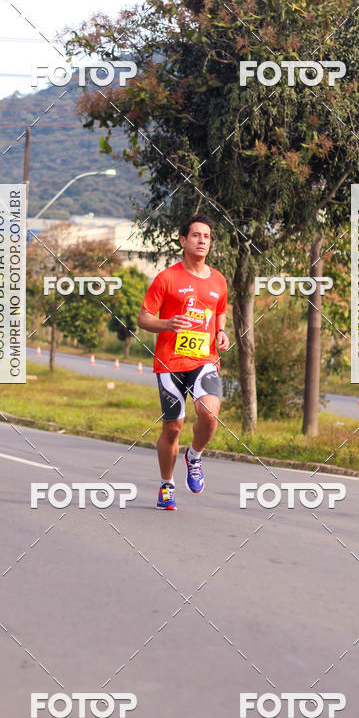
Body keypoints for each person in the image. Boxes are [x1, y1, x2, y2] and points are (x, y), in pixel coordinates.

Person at [137, 214, 229, 510]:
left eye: (207, 237)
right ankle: (166, 484)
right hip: (170, 363)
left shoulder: (218, 280)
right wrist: (166, 324)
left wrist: (221, 331)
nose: (202, 241)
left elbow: (220, 310)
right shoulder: (167, 278)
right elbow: (143, 318)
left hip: (205, 360)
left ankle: (195, 455)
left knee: (209, 414)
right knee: (173, 428)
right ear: (183, 241)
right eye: (196, 235)